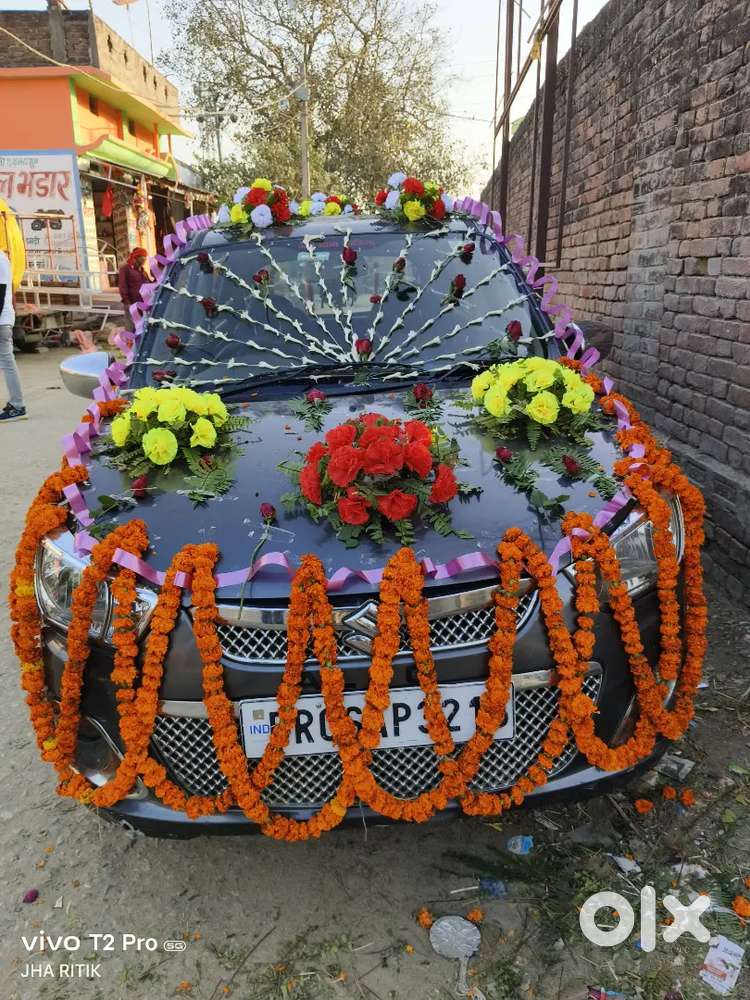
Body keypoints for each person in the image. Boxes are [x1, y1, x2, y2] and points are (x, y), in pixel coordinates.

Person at [0, 248, 26, 422]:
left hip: (1, 320)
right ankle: (16, 403)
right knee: (7, 361)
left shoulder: (0, 259)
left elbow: (0, 294)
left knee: (7, 362)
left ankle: (18, 405)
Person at [118, 247, 151, 330]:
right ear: (137, 257)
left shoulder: (143, 271)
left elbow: (149, 284)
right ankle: (130, 342)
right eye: (143, 257)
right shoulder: (125, 269)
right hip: (131, 304)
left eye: (145, 257)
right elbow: (122, 286)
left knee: (142, 327)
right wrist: (126, 301)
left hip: (144, 304)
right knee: (131, 327)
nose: (145, 259)